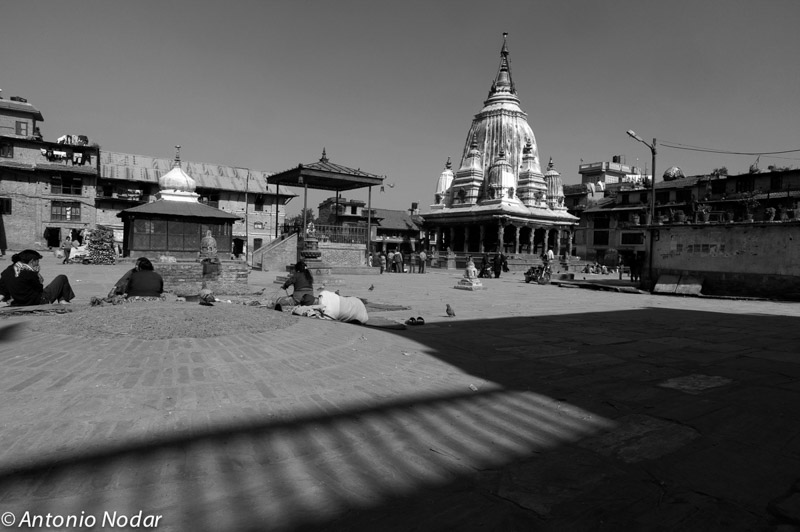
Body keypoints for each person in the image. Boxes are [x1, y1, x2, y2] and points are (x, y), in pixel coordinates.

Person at [0, 250, 75, 306]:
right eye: (37, 261)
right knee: (62, 278)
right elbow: (39, 289)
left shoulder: (6, 271)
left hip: (17, 301)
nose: (38, 264)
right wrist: (37, 274)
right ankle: (63, 300)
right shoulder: (29, 272)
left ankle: (62, 300)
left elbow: (3, 291)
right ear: (32, 261)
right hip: (37, 301)